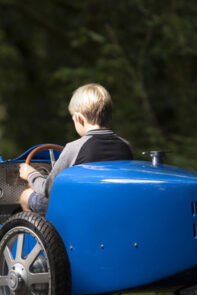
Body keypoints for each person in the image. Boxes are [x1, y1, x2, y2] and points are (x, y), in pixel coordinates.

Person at [19, 83, 133, 215]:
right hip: (115, 208)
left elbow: (48, 189)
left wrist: (31, 174)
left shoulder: (74, 148)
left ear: (79, 118)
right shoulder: (125, 146)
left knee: (26, 196)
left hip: (80, 211)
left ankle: (39, 228)